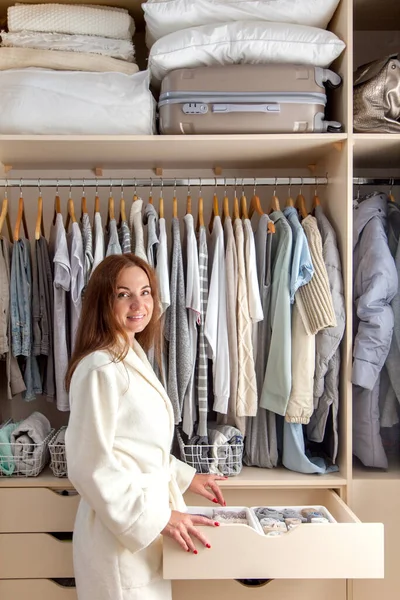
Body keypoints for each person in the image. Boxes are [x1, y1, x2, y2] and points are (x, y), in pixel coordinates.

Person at [65, 254, 226, 600]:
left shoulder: (130, 352)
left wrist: (187, 477)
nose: (139, 304)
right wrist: (159, 520)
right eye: (123, 294)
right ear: (103, 300)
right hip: (120, 539)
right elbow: (89, 465)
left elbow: (137, 446)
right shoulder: (100, 368)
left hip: (143, 532)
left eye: (146, 291)